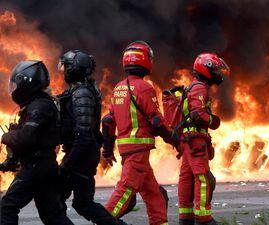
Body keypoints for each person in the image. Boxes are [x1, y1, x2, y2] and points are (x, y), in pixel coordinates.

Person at [102, 41, 178, 225]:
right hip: (138, 150)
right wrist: (173, 139)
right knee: (125, 191)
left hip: (128, 149)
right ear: (146, 60)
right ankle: (102, 221)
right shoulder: (145, 87)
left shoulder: (118, 88)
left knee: (154, 195)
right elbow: (157, 121)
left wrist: (107, 150)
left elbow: (108, 121)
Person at [57, 50, 128, 225]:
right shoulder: (80, 90)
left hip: (82, 155)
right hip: (83, 154)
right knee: (82, 203)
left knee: (57, 198)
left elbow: (84, 133)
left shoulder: (82, 93)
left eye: (66, 66)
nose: (64, 70)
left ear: (74, 69)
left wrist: (68, 163)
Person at [0, 60, 74, 225]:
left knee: (7, 206)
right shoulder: (37, 104)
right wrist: (9, 162)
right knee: (52, 216)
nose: (14, 89)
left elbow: (27, 137)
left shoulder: (39, 106)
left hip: (37, 166)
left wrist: (6, 137)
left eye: (16, 84)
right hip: (42, 166)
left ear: (27, 83)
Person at [178, 53, 229, 225]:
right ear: (205, 69)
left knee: (186, 178)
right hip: (196, 140)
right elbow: (198, 114)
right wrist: (213, 121)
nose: (217, 74)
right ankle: (204, 218)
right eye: (214, 70)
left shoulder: (191, 87)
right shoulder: (200, 87)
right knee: (203, 178)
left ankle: (185, 217)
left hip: (188, 140)